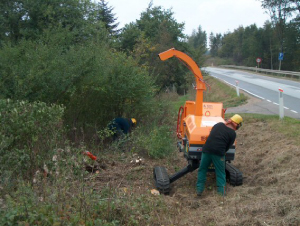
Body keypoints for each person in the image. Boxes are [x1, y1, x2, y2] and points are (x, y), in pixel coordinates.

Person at [196, 114, 243, 196]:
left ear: (230, 121)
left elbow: (211, 134)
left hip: (206, 150)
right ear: (236, 125)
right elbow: (227, 147)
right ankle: (221, 194)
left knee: (202, 170)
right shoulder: (232, 134)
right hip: (218, 153)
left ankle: (199, 190)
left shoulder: (218, 125)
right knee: (220, 172)